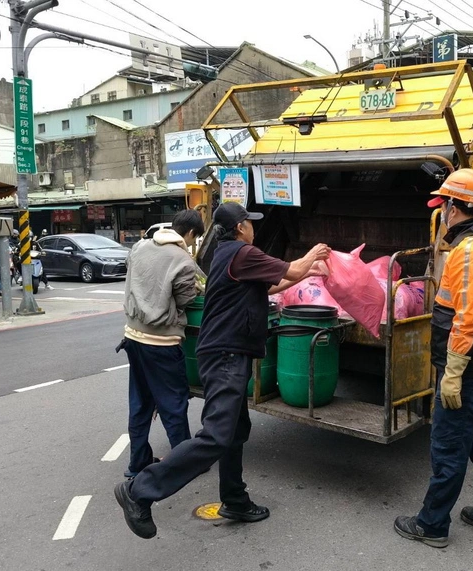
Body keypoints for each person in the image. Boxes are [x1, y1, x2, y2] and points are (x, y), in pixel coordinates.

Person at [114, 202, 331, 539]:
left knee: (234, 431)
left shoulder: (227, 255)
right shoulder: (242, 253)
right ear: (240, 227)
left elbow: (270, 285)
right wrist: (313, 255)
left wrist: (308, 272)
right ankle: (139, 490)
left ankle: (235, 500)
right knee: (216, 435)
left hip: (227, 353)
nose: (253, 227)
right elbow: (289, 269)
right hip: (226, 355)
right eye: (250, 222)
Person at [394, 168, 473, 548]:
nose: (442, 213)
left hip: (469, 365)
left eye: (444, 205)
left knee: (448, 445)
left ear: (453, 207)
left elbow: (468, 316)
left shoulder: (469, 250)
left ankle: (432, 524)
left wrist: (454, 370)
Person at [117, 210, 205, 479]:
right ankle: (184, 464)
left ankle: (137, 463)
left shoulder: (139, 247)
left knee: (141, 402)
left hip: (133, 337)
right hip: (162, 343)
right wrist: (196, 288)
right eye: (194, 239)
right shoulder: (183, 260)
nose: (192, 244)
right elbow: (185, 300)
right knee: (173, 404)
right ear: (190, 233)